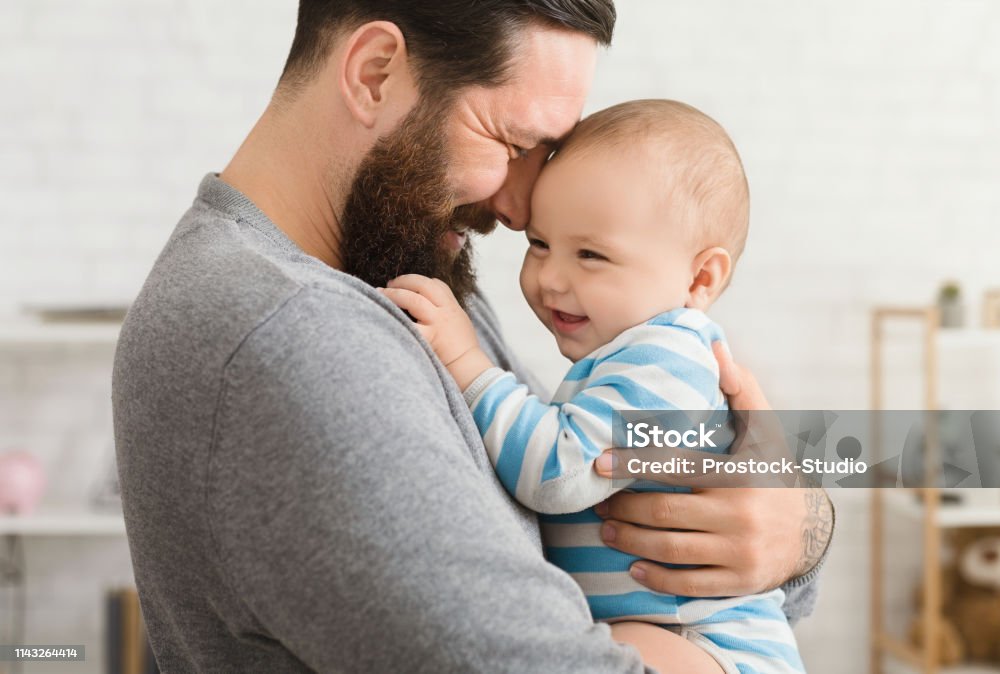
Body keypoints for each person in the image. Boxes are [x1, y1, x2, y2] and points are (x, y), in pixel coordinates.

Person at [111, 2, 833, 672]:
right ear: (375, 74)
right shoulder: (292, 333)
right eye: (514, 142)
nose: (520, 208)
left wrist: (798, 528)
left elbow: (581, 481)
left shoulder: (399, 270)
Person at [382, 99, 805, 674]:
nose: (551, 277)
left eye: (590, 254)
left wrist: (466, 363)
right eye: (539, 244)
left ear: (700, 278)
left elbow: (559, 471)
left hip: (709, 646)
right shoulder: (627, 357)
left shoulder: (667, 359)